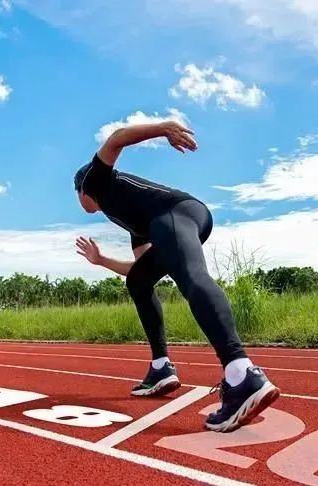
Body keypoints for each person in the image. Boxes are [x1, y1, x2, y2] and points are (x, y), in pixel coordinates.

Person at [73, 120, 279, 432]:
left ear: (81, 189)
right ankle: (161, 368)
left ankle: (241, 374)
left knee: (193, 277)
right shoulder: (131, 219)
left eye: (76, 196)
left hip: (177, 212)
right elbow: (140, 271)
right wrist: (101, 261)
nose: (80, 204)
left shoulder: (94, 179)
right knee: (139, 283)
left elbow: (115, 139)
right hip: (177, 220)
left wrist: (163, 129)